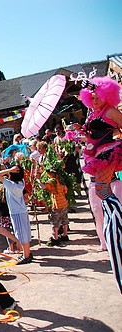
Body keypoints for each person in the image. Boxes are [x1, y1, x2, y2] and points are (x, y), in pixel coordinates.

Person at [74, 76, 122, 292]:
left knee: (105, 195)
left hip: (107, 156)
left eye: (96, 96)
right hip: (96, 158)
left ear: (105, 94)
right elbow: (93, 134)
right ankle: (111, 236)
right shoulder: (94, 113)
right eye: (90, 97)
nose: (93, 99)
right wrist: (81, 132)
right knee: (101, 198)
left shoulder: (111, 110)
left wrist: (117, 141)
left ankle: (116, 232)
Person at [0, 165, 33, 264]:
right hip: (22, 211)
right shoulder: (21, 182)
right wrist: (12, 171)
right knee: (26, 233)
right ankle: (27, 252)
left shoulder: (12, 185)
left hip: (16, 212)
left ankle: (26, 256)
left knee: (21, 235)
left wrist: (10, 170)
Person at [37, 169, 69, 247]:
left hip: (57, 203)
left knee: (55, 221)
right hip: (64, 202)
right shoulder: (60, 180)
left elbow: (43, 187)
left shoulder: (52, 181)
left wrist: (38, 180)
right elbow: (66, 190)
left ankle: (56, 238)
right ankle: (65, 235)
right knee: (64, 219)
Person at [0, 186, 17, 254]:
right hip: (12, 214)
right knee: (16, 230)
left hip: (3, 215)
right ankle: (19, 246)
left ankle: (11, 248)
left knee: (7, 232)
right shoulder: (10, 192)